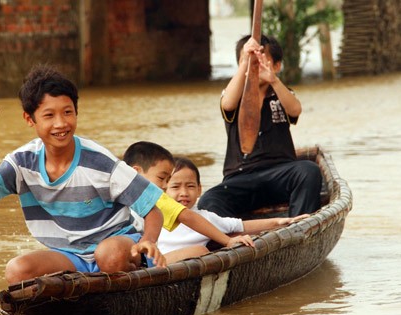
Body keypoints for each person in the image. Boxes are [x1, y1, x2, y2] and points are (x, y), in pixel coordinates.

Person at [0, 64, 166, 284]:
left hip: (118, 247)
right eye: (49, 115)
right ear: (30, 120)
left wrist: (149, 241)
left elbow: (152, 208)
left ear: (76, 112)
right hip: (70, 256)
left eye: (68, 112)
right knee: (17, 271)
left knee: (109, 254)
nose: (61, 123)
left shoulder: (99, 161)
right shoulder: (21, 162)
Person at [197, 34, 322, 218]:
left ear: (277, 65)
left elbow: (295, 110)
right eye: (248, 61)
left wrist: (273, 80)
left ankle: (298, 228)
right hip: (241, 177)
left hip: (281, 174)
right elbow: (227, 104)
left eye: (262, 60)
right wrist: (245, 63)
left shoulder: (280, 92)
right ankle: (233, 239)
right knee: (208, 201)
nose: (255, 66)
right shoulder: (234, 94)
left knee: (309, 171)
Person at [160, 157, 309, 263]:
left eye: (190, 186)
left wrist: (279, 221)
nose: (184, 193)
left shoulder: (207, 218)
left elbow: (241, 226)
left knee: (199, 252)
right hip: (154, 262)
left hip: (182, 264)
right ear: (163, 189)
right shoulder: (155, 213)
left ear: (199, 190)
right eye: (175, 187)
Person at [122, 141, 254, 257]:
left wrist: (228, 241)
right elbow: (187, 216)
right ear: (135, 172)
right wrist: (228, 241)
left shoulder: (153, 198)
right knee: (198, 251)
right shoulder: (147, 195)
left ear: (199, 189)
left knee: (198, 251)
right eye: (161, 178)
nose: (164, 186)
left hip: (140, 258)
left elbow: (188, 216)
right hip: (126, 256)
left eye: (168, 181)